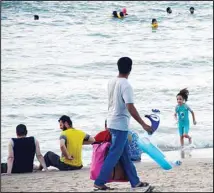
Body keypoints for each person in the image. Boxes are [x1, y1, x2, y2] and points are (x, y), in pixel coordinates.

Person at [93, 57, 153, 190]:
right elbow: (130, 107)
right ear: (130, 69)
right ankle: (99, 181)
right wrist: (143, 124)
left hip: (111, 122)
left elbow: (111, 103)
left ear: (118, 67)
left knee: (125, 154)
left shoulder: (111, 82)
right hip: (120, 125)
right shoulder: (126, 85)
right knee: (114, 154)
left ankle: (135, 181)